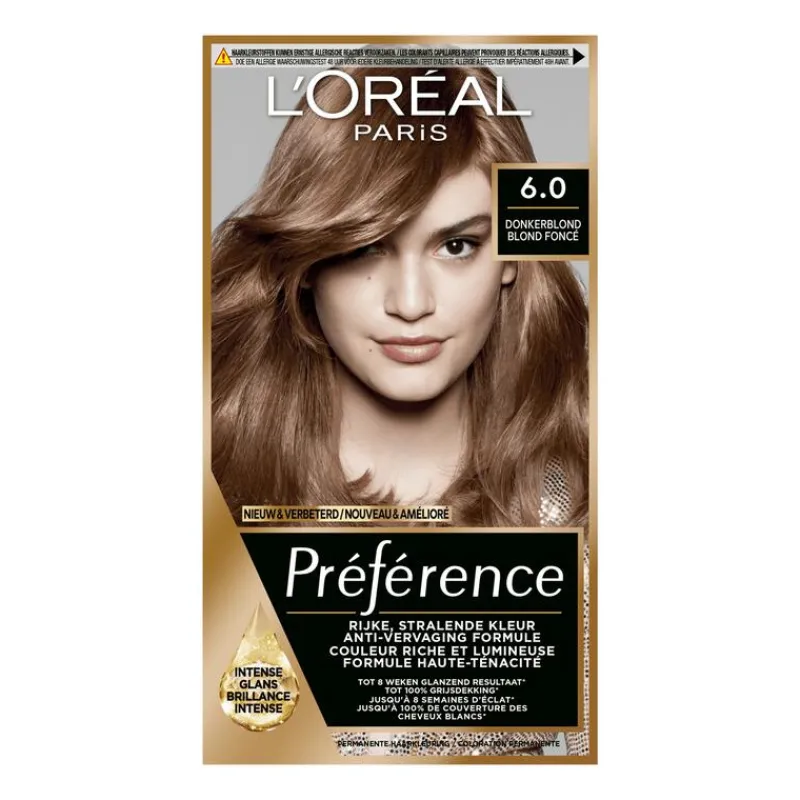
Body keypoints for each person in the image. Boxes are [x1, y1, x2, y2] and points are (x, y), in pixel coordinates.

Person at [211, 65, 589, 756]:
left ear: (514, 254)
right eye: (365, 246)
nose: (411, 304)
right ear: (307, 261)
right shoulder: (212, 489)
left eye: (457, 245)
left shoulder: (578, 500)